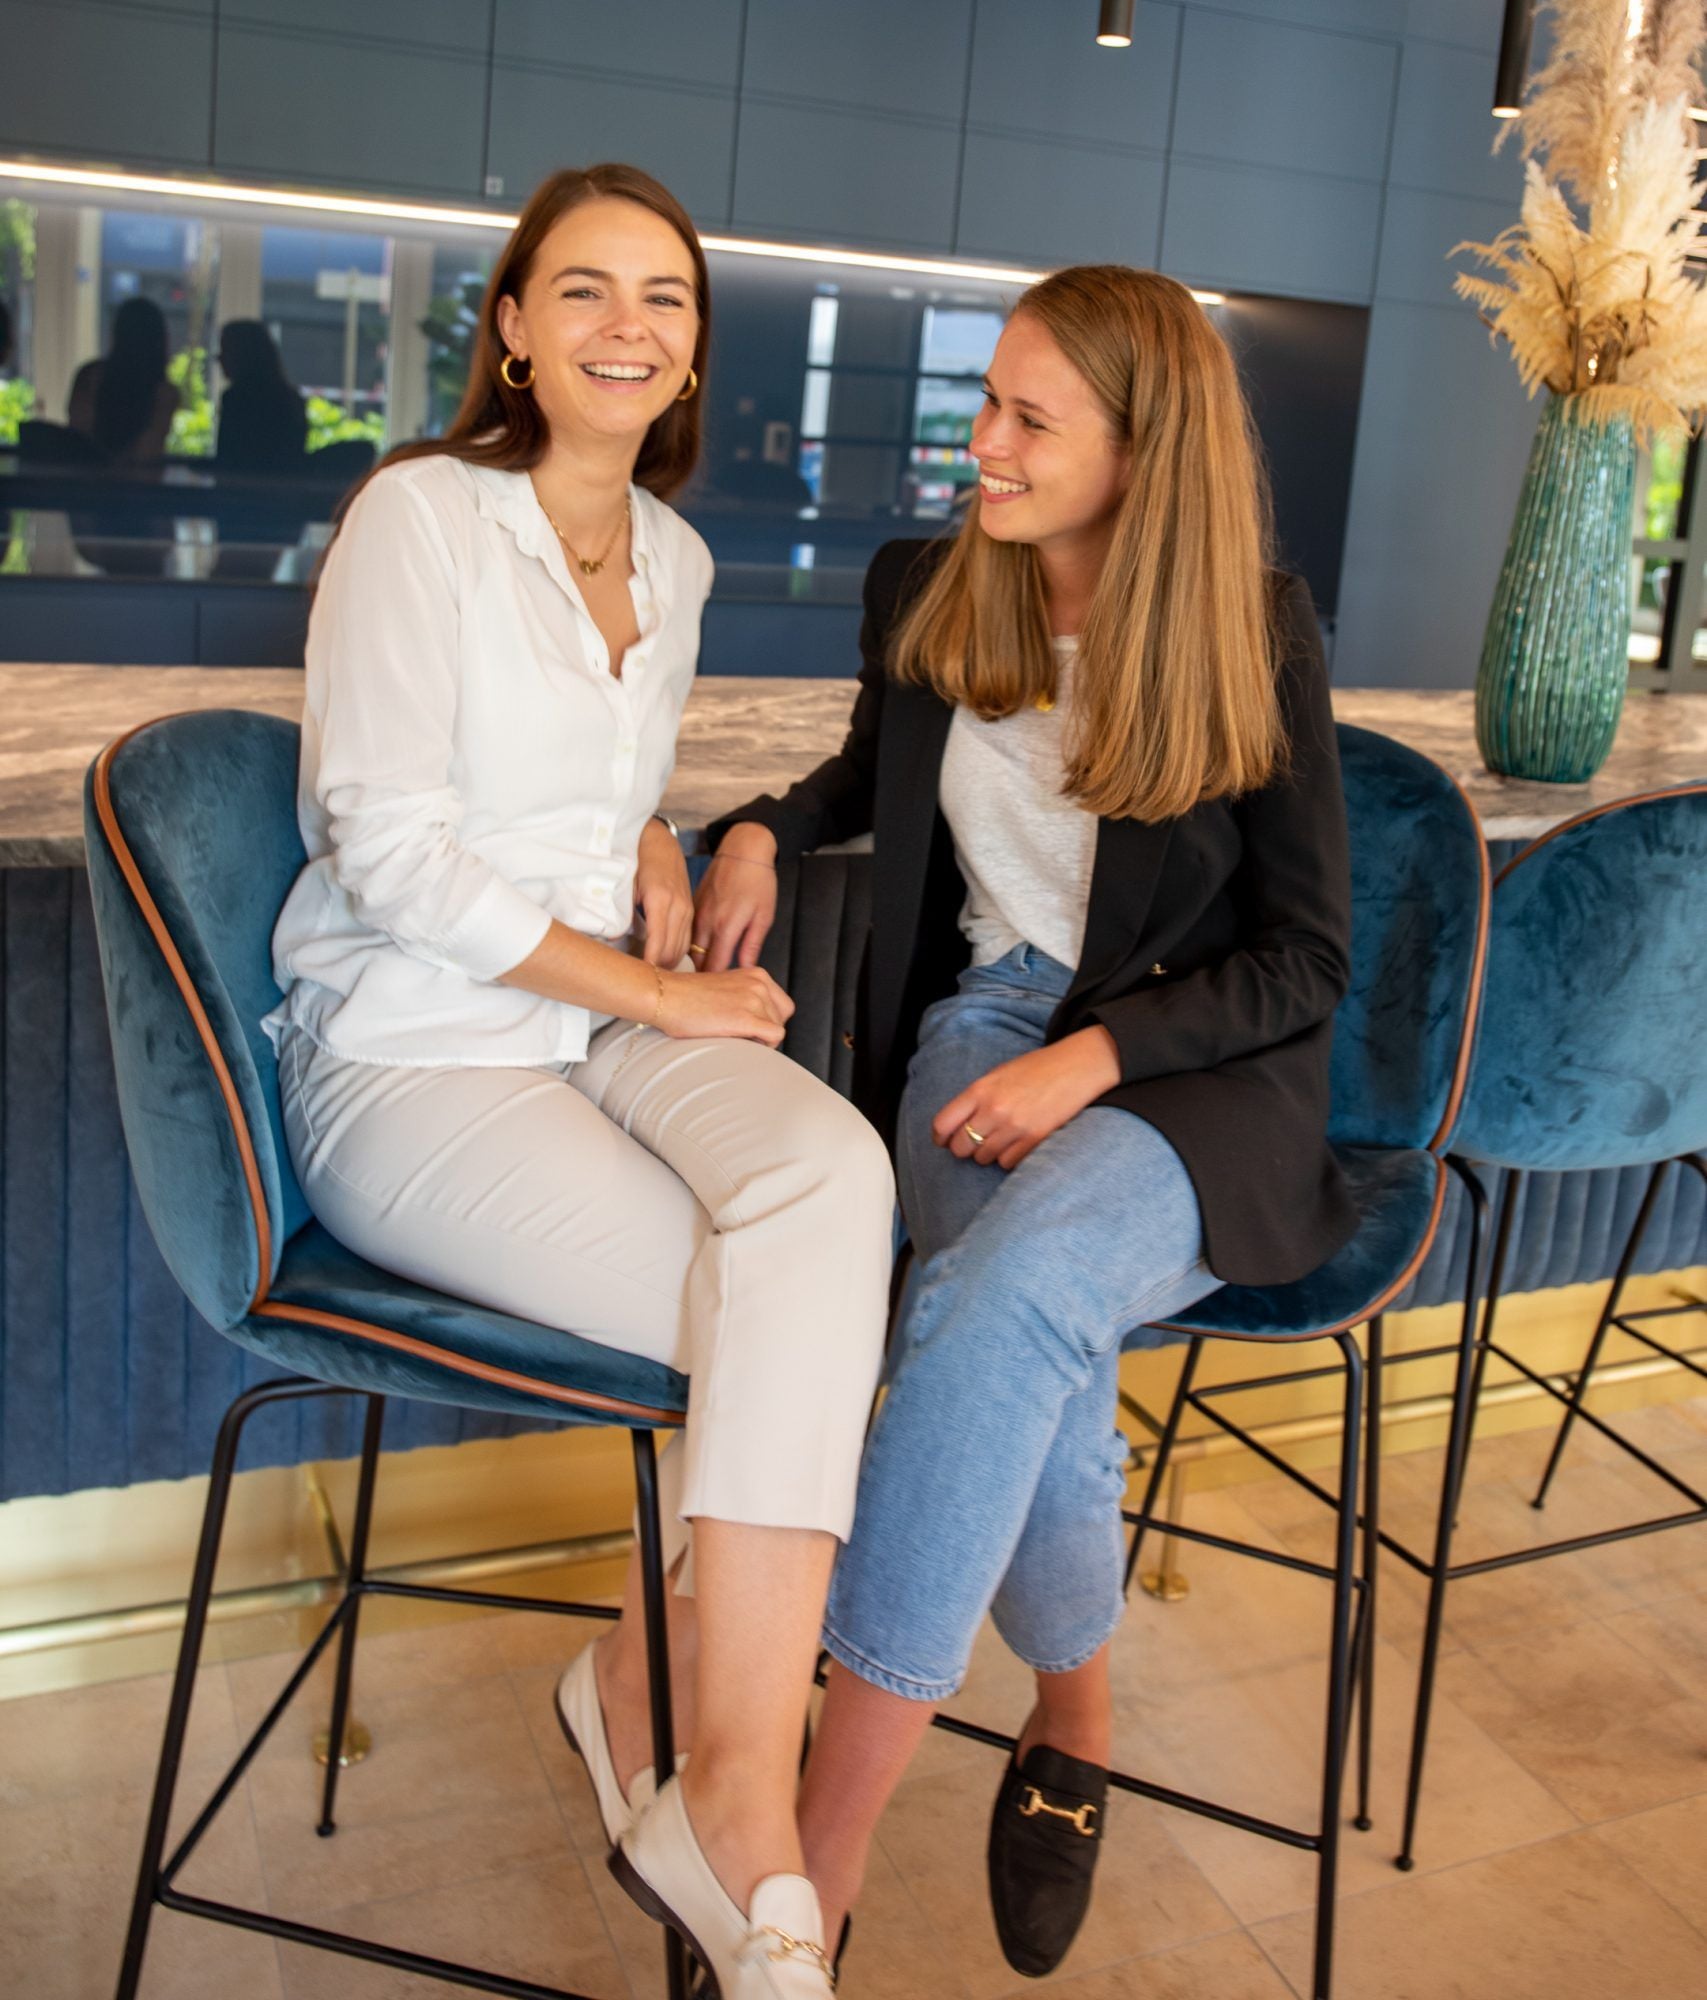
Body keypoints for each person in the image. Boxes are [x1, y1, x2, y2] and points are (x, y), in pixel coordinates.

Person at [265, 163, 894, 2000]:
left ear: (693, 352)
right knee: (778, 1317)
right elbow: (387, 847)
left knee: (836, 1191)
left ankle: (655, 1704)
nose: (629, 325)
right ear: (513, 332)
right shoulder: (420, 518)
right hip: (412, 1056)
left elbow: (586, 780)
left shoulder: (673, 561)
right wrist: (648, 987)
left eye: (665, 298)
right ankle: (721, 1781)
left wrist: (656, 840)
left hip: (596, 1027)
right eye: (585, 291)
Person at [694, 265, 1352, 1980]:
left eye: (1027, 419)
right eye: (984, 401)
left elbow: (1306, 957)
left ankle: (811, 1855)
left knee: (1000, 1300)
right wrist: (763, 824)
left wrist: (1101, 1057)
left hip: (1190, 1074)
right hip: (978, 1027)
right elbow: (870, 773)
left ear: (1143, 451)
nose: (979, 443)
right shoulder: (929, 585)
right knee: (1013, 1322)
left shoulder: (1253, 625)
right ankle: (1072, 1722)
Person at [68, 294, 176, 460]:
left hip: (89, 473)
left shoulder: (90, 376)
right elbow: (148, 451)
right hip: (136, 476)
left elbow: (78, 437)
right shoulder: (165, 393)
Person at [215, 318, 307, 475]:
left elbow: (229, 459)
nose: (219, 358)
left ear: (242, 355)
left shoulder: (236, 400)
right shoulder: (291, 398)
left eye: (226, 351)